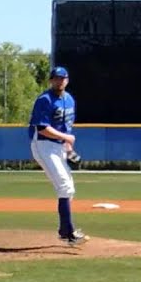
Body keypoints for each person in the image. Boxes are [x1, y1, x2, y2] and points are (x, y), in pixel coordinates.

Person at [28, 67, 87, 246]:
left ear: (67, 80)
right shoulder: (44, 100)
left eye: (62, 78)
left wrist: (68, 148)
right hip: (43, 145)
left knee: (69, 189)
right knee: (64, 186)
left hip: (59, 146)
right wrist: (66, 138)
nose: (59, 81)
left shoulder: (69, 100)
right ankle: (68, 232)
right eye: (56, 78)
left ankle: (64, 230)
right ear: (51, 80)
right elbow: (42, 128)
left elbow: (66, 129)